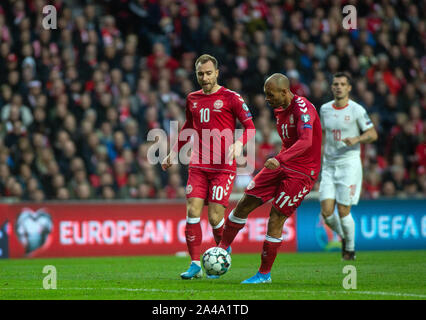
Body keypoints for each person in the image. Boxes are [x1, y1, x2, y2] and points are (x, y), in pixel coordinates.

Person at [218, 73, 322, 284]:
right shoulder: (279, 109)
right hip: (283, 164)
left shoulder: (302, 108)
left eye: (270, 94)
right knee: (244, 202)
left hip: (302, 172)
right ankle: (222, 249)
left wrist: (280, 158)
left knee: (276, 217)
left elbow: (306, 141)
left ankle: (264, 274)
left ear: (285, 91)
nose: (267, 99)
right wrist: (282, 159)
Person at [162, 54, 256, 279]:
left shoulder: (231, 97)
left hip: (223, 168)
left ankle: (222, 247)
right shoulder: (192, 99)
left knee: (215, 217)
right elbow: (188, 128)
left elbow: (250, 127)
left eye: (208, 73)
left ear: (216, 73)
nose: (204, 78)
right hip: (198, 165)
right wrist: (173, 153)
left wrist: (238, 144)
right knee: (192, 211)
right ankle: (195, 264)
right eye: (200, 74)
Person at [319, 72, 378, 260]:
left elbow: (373, 134)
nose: (338, 87)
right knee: (327, 213)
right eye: (335, 83)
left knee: (344, 210)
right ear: (331, 87)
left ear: (349, 88)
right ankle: (345, 235)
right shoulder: (325, 109)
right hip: (329, 165)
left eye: (342, 84)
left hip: (349, 164)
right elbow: (321, 134)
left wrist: (357, 138)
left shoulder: (357, 110)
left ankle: (350, 249)